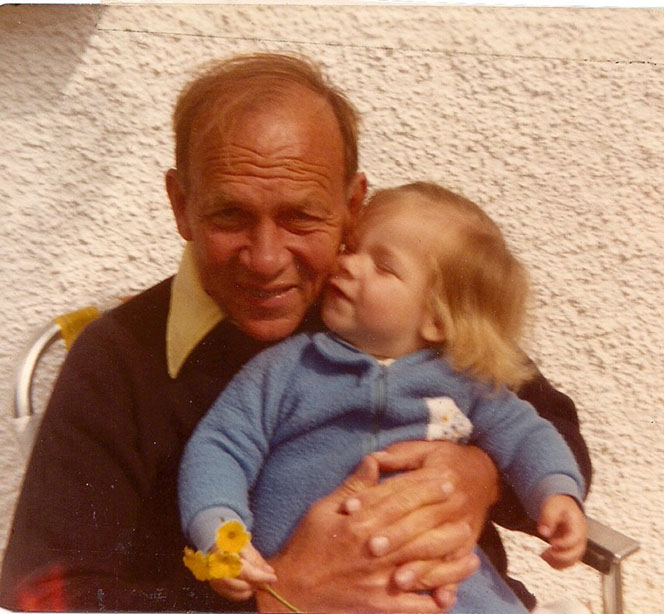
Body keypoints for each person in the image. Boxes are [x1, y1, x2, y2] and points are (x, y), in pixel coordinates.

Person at [0, 53, 591, 612]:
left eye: (301, 217)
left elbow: (548, 428)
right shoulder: (118, 359)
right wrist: (280, 597)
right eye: (229, 214)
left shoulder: (385, 310)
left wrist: (479, 477)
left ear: (352, 205)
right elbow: (43, 594)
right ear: (181, 205)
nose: (265, 259)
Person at [179, 182, 588, 614]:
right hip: (316, 594)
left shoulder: (466, 382)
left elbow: (527, 436)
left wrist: (556, 494)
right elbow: (220, 447)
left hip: (444, 590)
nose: (348, 263)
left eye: (384, 267)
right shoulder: (286, 369)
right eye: (353, 248)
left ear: (437, 318)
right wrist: (219, 531)